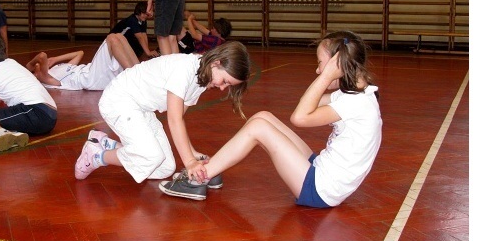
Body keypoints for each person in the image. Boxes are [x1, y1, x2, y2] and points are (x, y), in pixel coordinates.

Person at [159, 30, 382, 206]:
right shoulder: (358, 94)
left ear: (337, 66)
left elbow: (299, 117)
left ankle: (198, 178)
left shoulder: (355, 103)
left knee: (258, 128)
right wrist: (328, 73)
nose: (317, 70)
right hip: (321, 171)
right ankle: (211, 170)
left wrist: (326, 76)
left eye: (320, 64)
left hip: (321, 189)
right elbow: (309, 103)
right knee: (263, 117)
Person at [74, 41, 252, 185]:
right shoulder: (185, 69)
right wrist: (190, 162)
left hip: (141, 109)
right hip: (119, 100)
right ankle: (96, 155)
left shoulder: (202, 81)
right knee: (151, 157)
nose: (222, 88)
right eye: (225, 81)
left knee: (164, 167)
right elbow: (174, 120)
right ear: (216, 63)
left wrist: (192, 153)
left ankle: (106, 144)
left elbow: (178, 117)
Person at [25, 33, 139, 91]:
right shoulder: (46, 79)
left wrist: (55, 59)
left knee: (119, 36)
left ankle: (140, 73)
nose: (37, 65)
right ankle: (135, 77)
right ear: (36, 75)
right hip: (90, 79)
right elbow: (42, 56)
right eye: (36, 67)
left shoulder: (56, 69)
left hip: (94, 73)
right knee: (111, 38)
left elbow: (80, 53)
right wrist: (30, 65)